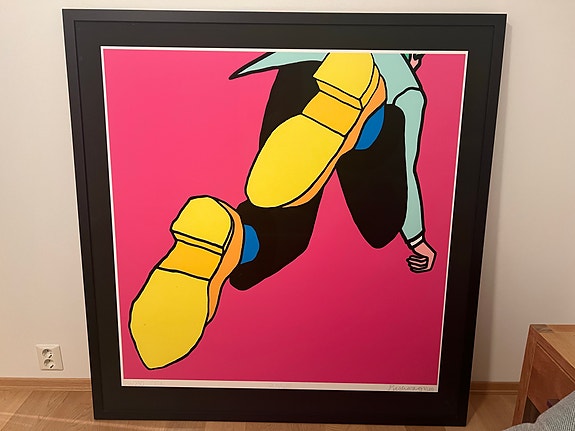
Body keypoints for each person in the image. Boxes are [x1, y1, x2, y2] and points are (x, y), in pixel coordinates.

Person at [129, 52, 436, 369]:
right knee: (383, 225)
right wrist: (417, 239)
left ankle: (231, 237)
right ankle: (371, 124)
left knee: (280, 213)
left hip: (301, 76)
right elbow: (407, 171)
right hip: (368, 87)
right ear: (413, 56)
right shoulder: (406, 86)